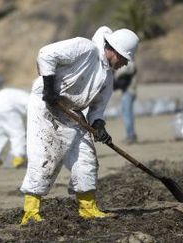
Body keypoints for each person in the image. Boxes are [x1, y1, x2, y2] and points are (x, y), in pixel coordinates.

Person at [19, 26, 139, 225]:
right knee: (45, 156)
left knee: (86, 158)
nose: (124, 64)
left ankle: (88, 208)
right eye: (124, 59)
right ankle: (31, 212)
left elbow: (97, 109)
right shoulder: (86, 48)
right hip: (46, 105)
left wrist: (99, 126)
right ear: (114, 50)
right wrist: (49, 89)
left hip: (72, 112)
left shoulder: (108, 77)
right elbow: (46, 54)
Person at [0, 88, 30, 170]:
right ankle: (19, 158)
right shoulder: (32, 101)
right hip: (7, 106)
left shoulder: (24, 95)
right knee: (17, 133)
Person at [113, 61, 138, 144]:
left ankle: (130, 136)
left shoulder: (129, 64)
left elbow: (123, 79)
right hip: (128, 92)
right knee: (127, 114)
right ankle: (131, 135)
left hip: (129, 92)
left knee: (127, 115)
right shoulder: (128, 65)